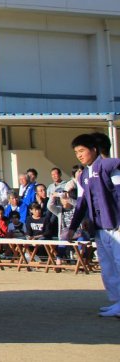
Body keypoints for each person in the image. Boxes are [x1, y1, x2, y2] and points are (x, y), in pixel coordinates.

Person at [61, 132, 120, 318]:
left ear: (94, 150)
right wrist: (72, 228)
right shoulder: (84, 175)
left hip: (116, 225)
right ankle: (118, 302)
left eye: (82, 150)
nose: (79, 155)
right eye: (76, 152)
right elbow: (82, 204)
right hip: (100, 228)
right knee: (108, 266)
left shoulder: (110, 167)